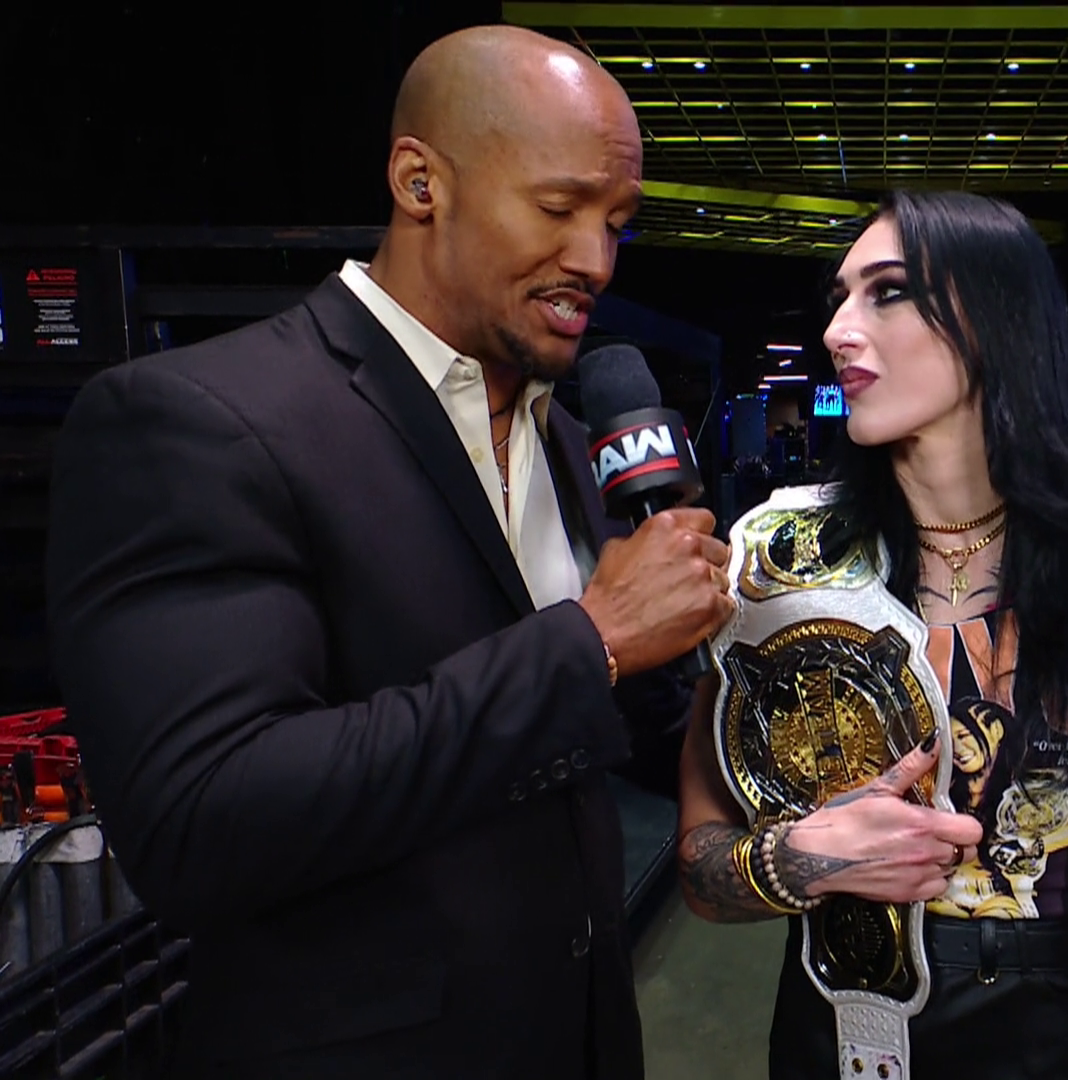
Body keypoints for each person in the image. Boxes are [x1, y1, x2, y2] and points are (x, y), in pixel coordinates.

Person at [43, 26, 729, 1079]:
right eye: (559, 208)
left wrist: (759, 724)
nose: (596, 260)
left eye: (615, 224)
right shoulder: (197, 421)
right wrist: (590, 642)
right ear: (420, 183)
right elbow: (204, 824)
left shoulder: (562, 436)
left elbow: (583, 734)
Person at [674, 189, 1068, 1079]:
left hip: (1049, 1043)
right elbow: (701, 864)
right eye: (840, 298)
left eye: (888, 292)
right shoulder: (778, 568)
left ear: (996, 317)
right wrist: (799, 859)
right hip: (834, 1031)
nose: (838, 331)